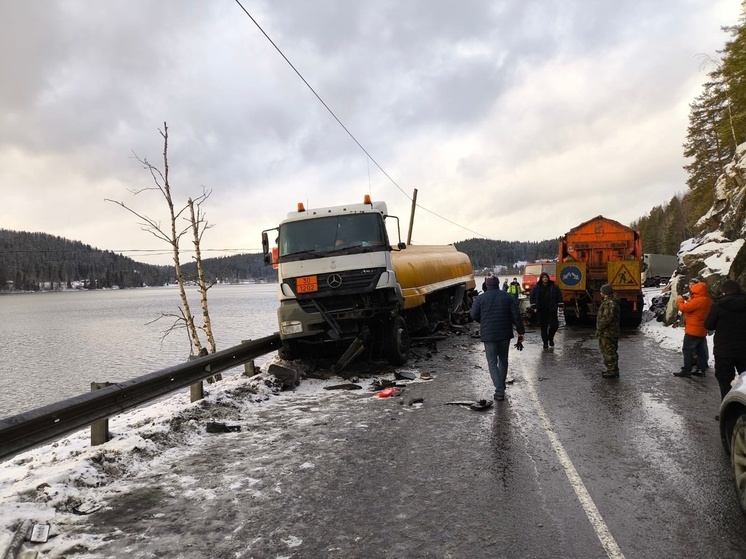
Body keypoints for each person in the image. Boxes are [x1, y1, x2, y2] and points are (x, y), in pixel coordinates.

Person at [470, 275, 525, 401]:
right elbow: (516, 315)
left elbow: (473, 315)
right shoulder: (507, 297)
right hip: (505, 333)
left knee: (492, 362)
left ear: (487, 285)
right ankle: (501, 388)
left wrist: (483, 321)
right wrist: (521, 332)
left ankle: (499, 391)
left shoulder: (480, 298)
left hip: (488, 334)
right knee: (503, 360)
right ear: (498, 284)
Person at [703, 279, 746, 399]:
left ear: (724, 292)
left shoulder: (718, 305)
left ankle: (728, 410)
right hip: (744, 350)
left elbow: (708, 325)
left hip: (724, 350)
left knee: (725, 381)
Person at [673, 278, 713, 377]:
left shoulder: (697, 301)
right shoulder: (707, 300)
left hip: (692, 330)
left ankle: (686, 370)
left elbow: (683, 308)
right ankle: (701, 369)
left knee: (687, 349)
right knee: (701, 351)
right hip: (702, 329)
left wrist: (680, 300)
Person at [529, 272, 563, 348]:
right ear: (541, 278)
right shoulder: (536, 287)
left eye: (546, 277)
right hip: (541, 310)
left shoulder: (554, 287)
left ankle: (550, 338)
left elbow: (559, 296)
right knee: (543, 327)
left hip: (552, 309)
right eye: (543, 277)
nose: (545, 278)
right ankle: (545, 343)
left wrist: (560, 305)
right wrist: (534, 307)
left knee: (554, 326)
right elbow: (532, 297)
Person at [596, 284, 621, 378]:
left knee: (608, 351)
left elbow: (607, 318)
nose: (600, 293)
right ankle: (611, 369)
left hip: (608, 332)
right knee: (609, 350)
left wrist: (600, 328)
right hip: (610, 331)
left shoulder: (610, 303)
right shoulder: (610, 302)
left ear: (605, 292)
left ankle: (612, 371)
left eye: (601, 291)